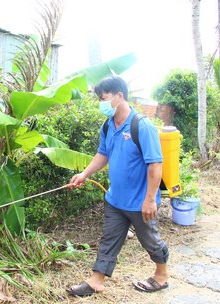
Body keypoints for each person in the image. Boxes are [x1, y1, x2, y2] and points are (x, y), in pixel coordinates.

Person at [65, 76, 169, 296]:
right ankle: (96, 281)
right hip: (115, 199)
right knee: (109, 239)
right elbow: (103, 154)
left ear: (120, 96)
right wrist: (84, 174)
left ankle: (161, 275)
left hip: (140, 202)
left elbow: (155, 165)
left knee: (150, 241)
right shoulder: (108, 125)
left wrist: (150, 200)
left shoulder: (142, 125)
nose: (101, 104)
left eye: (104, 98)